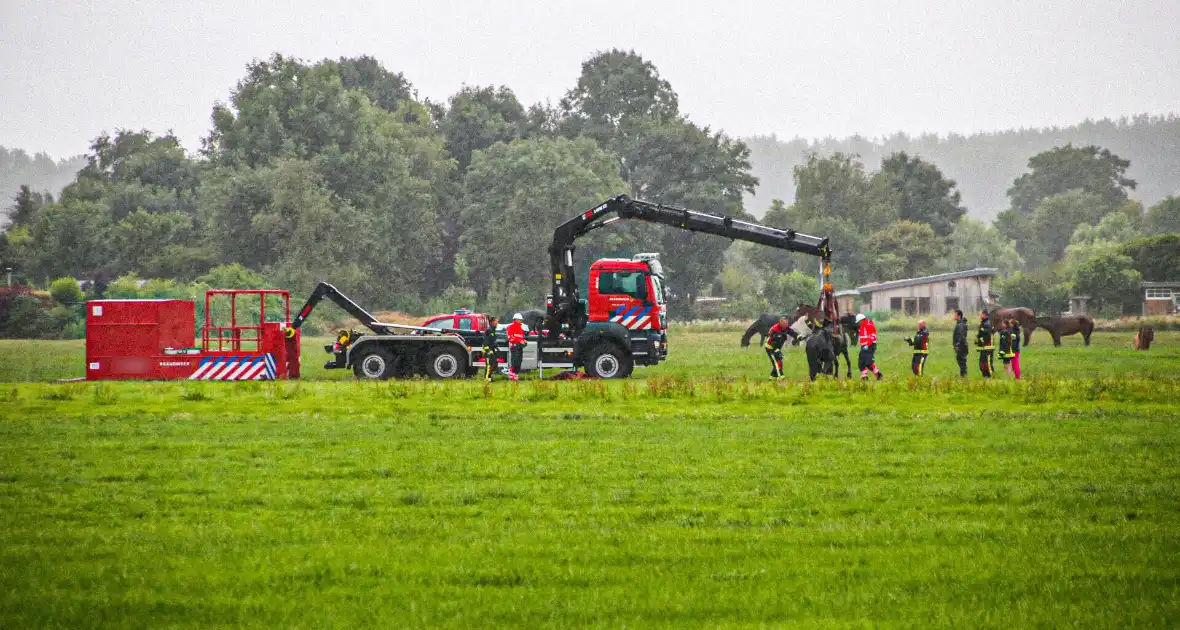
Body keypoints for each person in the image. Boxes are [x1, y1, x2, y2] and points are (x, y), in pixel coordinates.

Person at [763, 315, 798, 379]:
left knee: (777, 360)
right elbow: (773, 342)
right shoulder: (775, 330)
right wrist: (777, 351)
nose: (786, 326)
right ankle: (781, 377)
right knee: (777, 362)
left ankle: (772, 377)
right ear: (781, 323)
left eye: (787, 324)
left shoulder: (785, 327)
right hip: (770, 347)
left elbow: (791, 332)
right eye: (785, 324)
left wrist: (798, 336)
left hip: (776, 347)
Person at [855, 314, 882, 380]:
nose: (858, 323)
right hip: (864, 347)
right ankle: (866, 375)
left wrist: (867, 345)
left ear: (862, 320)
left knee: (869, 362)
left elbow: (872, 337)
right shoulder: (861, 327)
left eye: (858, 322)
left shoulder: (870, 326)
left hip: (870, 346)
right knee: (861, 362)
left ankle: (877, 375)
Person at [506, 313, 527, 381]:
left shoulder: (520, 328)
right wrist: (519, 341)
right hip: (514, 347)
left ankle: (515, 376)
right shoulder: (511, 327)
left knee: (519, 362)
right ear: (516, 320)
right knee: (514, 362)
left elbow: (520, 337)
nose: (521, 321)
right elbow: (510, 338)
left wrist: (524, 340)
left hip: (519, 347)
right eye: (520, 320)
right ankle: (512, 376)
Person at [975, 311, 994, 378]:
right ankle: (985, 377)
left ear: (985, 315)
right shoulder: (983, 323)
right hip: (983, 347)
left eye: (981, 314)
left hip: (987, 347)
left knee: (987, 363)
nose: (980, 315)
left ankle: (991, 377)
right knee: (982, 364)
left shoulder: (987, 324)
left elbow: (987, 336)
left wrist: (980, 340)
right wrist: (977, 340)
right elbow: (981, 334)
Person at [482, 316, 500, 382]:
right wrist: (488, 351)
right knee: (489, 365)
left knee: (495, 364)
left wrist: (496, 347)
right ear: (492, 322)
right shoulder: (488, 330)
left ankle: (489, 376)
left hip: (492, 350)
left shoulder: (493, 330)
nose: (497, 323)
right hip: (488, 351)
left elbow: (492, 341)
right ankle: (487, 378)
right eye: (496, 322)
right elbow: (485, 342)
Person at [952, 310, 969, 377]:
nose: (953, 316)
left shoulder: (960, 325)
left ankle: (964, 377)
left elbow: (960, 336)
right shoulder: (960, 324)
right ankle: (963, 376)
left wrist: (957, 345)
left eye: (955, 315)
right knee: (960, 360)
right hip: (962, 346)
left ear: (959, 316)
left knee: (962, 361)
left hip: (962, 346)